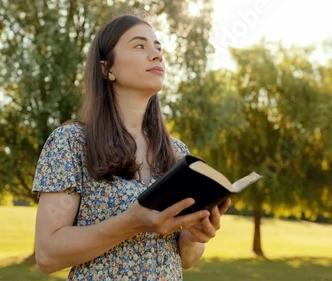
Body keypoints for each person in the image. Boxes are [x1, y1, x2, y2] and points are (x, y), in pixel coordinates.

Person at [32, 12, 231, 280]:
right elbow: (47, 255)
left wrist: (196, 237)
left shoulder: (178, 153)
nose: (156, 55)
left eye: (158, 48)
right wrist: (131, 223)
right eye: (140, 46)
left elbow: (185, 258)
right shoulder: (70, 143)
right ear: (107, 69)